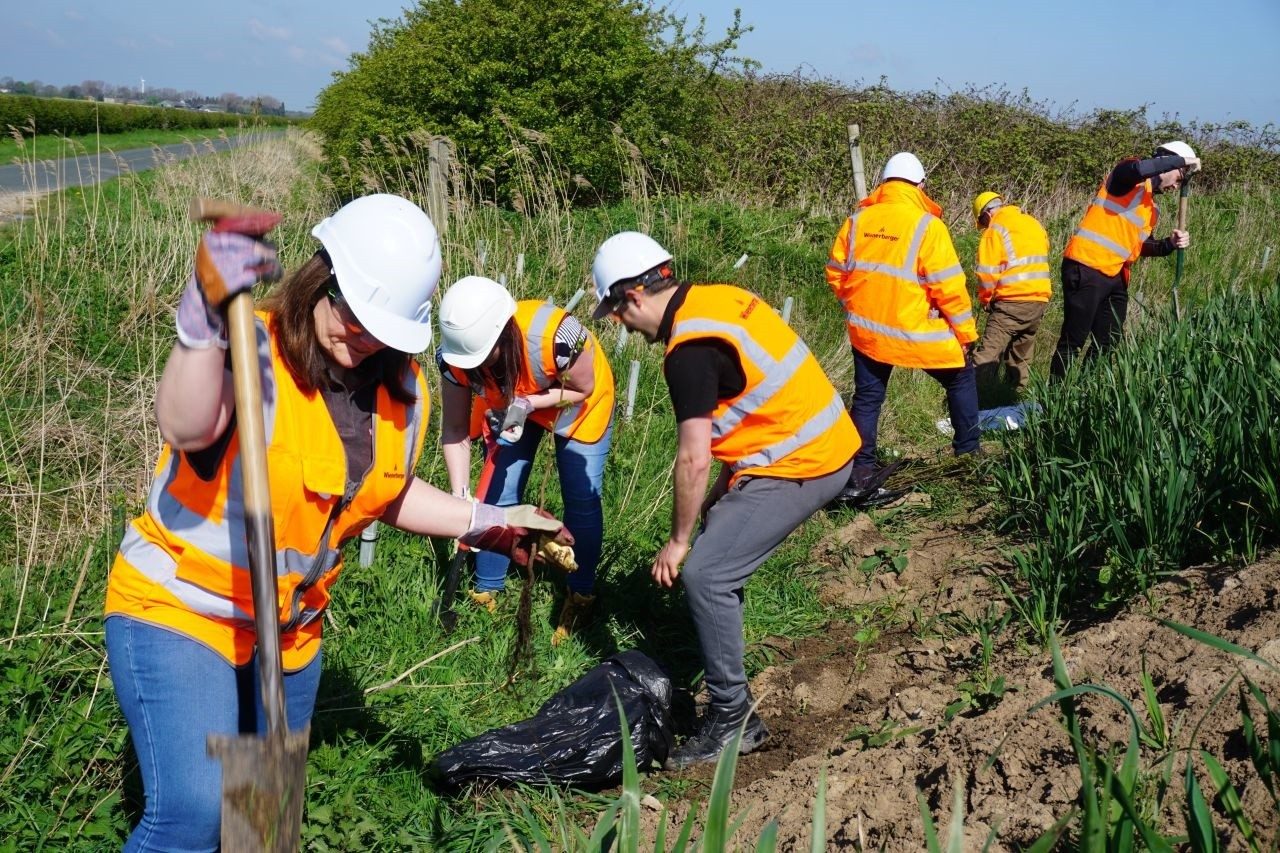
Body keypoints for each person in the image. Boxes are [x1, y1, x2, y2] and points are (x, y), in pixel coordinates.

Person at [103, 193, 569, 851]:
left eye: (381, 326)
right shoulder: (249, 344)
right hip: (184, 607)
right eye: (350, 311)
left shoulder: (403, 391)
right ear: (321, 276)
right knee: (196, 813)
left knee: (261, 824)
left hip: (287, 630)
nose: (359, 334)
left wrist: (492, 520)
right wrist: (200, 320)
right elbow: (185, 425)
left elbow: (388, 493)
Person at [589, 231, 858, 768]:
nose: (618, 324)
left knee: (706, 573)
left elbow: (693, 457)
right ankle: (732, 699)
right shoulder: (718, 299)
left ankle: (734, 717)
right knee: (715, 553)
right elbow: (751, 410)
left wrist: (679, 540)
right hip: (820, 442)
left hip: (804, 463)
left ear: (634, 296)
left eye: (615, 312)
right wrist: (716, 501)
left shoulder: (688, 352)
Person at [437, 275, 615, 645]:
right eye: (472, 365)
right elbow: (454, 429)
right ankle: (487, 590)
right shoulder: (454, 359)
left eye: (485, 359)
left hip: (574, 401)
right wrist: (462, 500)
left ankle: (579, 595)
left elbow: (583, 388)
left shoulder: (559, 336)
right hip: (511, 403)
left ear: (504, 334)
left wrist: (531, 402)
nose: (476, 370)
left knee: (580, 498)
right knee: (496, 494)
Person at [825, 152, 980, 500]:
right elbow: (949, 289)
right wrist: (966, 335)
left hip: (866, 331)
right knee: (961, 375)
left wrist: (856, 305)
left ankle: (860, 471)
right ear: (920, 185)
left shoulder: (858, 220)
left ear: (884, 182)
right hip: (914, 333)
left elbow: (836, 273)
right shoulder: (928, 226)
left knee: (867, 398)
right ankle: (969, 456)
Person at [1050, 140, 1201, 377]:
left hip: (1116, 277)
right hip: (1087, 265)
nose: (1176, 186)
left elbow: (1142, 246)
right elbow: (1139, 169)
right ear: (1165, 163)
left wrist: (1169, 244)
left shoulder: (1151, 209)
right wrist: (1184, 161)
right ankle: (1055, 399)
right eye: (1180, 178)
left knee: (1108, 342)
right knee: (1074, 340)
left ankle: (1083, 395)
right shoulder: (1127, 175)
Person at [971, 191, 1052, 404]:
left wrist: (986, 299)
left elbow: (987, 273)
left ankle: (970, 401)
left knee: (987, 355)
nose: (983, 226)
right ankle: (1013, 399)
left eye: (981, 221)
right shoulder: (1033, 223)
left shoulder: (994, 230)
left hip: (1012, 300)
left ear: (986, 214)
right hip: (1039, 300)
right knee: (1021, 356)